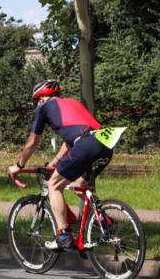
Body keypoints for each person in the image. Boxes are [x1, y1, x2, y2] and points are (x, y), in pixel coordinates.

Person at [7, 80, 125, 250]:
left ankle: (63, 235)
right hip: (105, 143)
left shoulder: (43, 107)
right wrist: (55, 162)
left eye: (36, 102)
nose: (37, 105)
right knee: (80, 185)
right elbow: (73, 139)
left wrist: (18, 165)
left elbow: (32, 142)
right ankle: (106, 224)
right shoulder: (73, 103)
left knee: (54, 185)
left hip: (85, 145)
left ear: (40, 99)